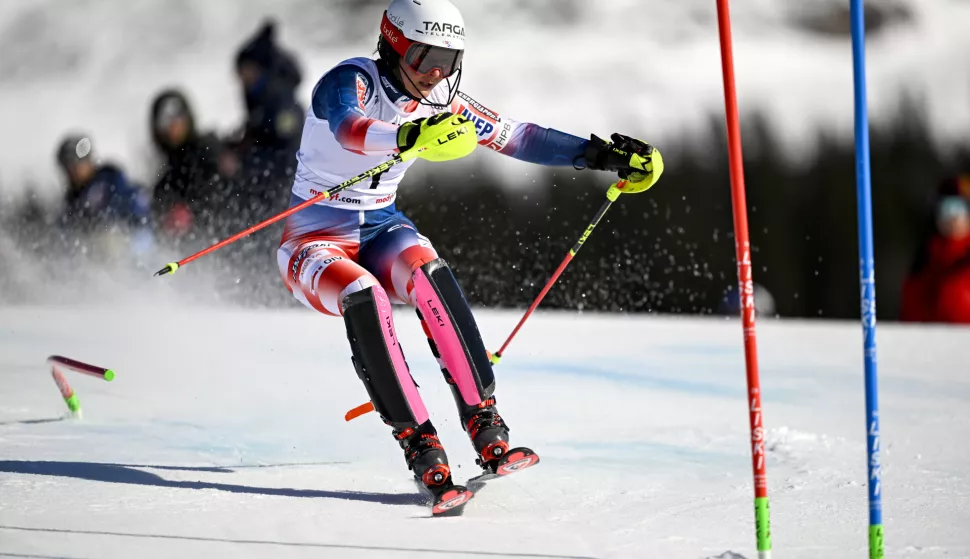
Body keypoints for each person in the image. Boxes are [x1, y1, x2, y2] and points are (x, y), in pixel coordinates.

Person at [277, 0, 663, 495]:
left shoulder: (439, 100)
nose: (436, 72)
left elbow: (516, 136)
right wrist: (408, 134)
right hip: (311, 240)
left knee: (427, 271)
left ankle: (485, 423)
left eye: (449, 60)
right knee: (365, 295)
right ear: (394, 48)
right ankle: (420, 444)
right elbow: (350, 129)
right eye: (424, 57)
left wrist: (600, 155)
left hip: (379, 228)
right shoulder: (351, 81)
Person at [149, 89, 238, 241]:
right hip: (199, 248)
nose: (173, 128)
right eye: (165, 122)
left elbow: (225, 193)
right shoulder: (167, 177)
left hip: (232, 237)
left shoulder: (208, 150)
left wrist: (193, 212)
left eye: (178, 119)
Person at [56, 134, 153, 257]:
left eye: (78, 163)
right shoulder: (73, 199)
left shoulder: (108, 182)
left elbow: (137, 211)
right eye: (69, 165)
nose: (74, 170)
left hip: (131, 249)